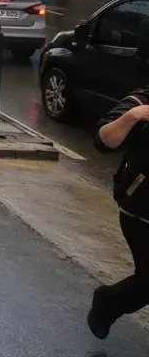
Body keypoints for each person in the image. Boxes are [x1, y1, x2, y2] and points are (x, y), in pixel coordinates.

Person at [88, 87, 149, 339]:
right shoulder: (141, 101)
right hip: (141, 213)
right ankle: (107, 303)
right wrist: (133, 115)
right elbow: (103, 140)